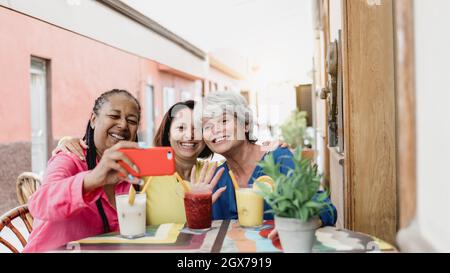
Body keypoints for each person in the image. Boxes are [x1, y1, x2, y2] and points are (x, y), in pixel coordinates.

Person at [54, 100, 225, 226]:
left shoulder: (216, 173)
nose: (189, 136)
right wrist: (71, 141)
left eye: (198, 129)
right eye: (181, 128)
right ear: (167, 133)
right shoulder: (143, 166)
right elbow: (105, 155)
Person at [24, 89, 144, 252]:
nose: (123, 124)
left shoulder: (131, 173)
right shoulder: (70, 157)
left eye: (131, 120)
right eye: (114, 116)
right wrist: (92, 179)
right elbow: (39, 204)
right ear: (93, 120)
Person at [201, 91, 337, 226]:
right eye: (207, 126)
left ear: (246, 124)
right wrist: (198, 204)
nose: (215, 130)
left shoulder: (279, 159)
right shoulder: (215, 179)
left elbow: (326, 209)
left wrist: (298, 225)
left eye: (224, 120)